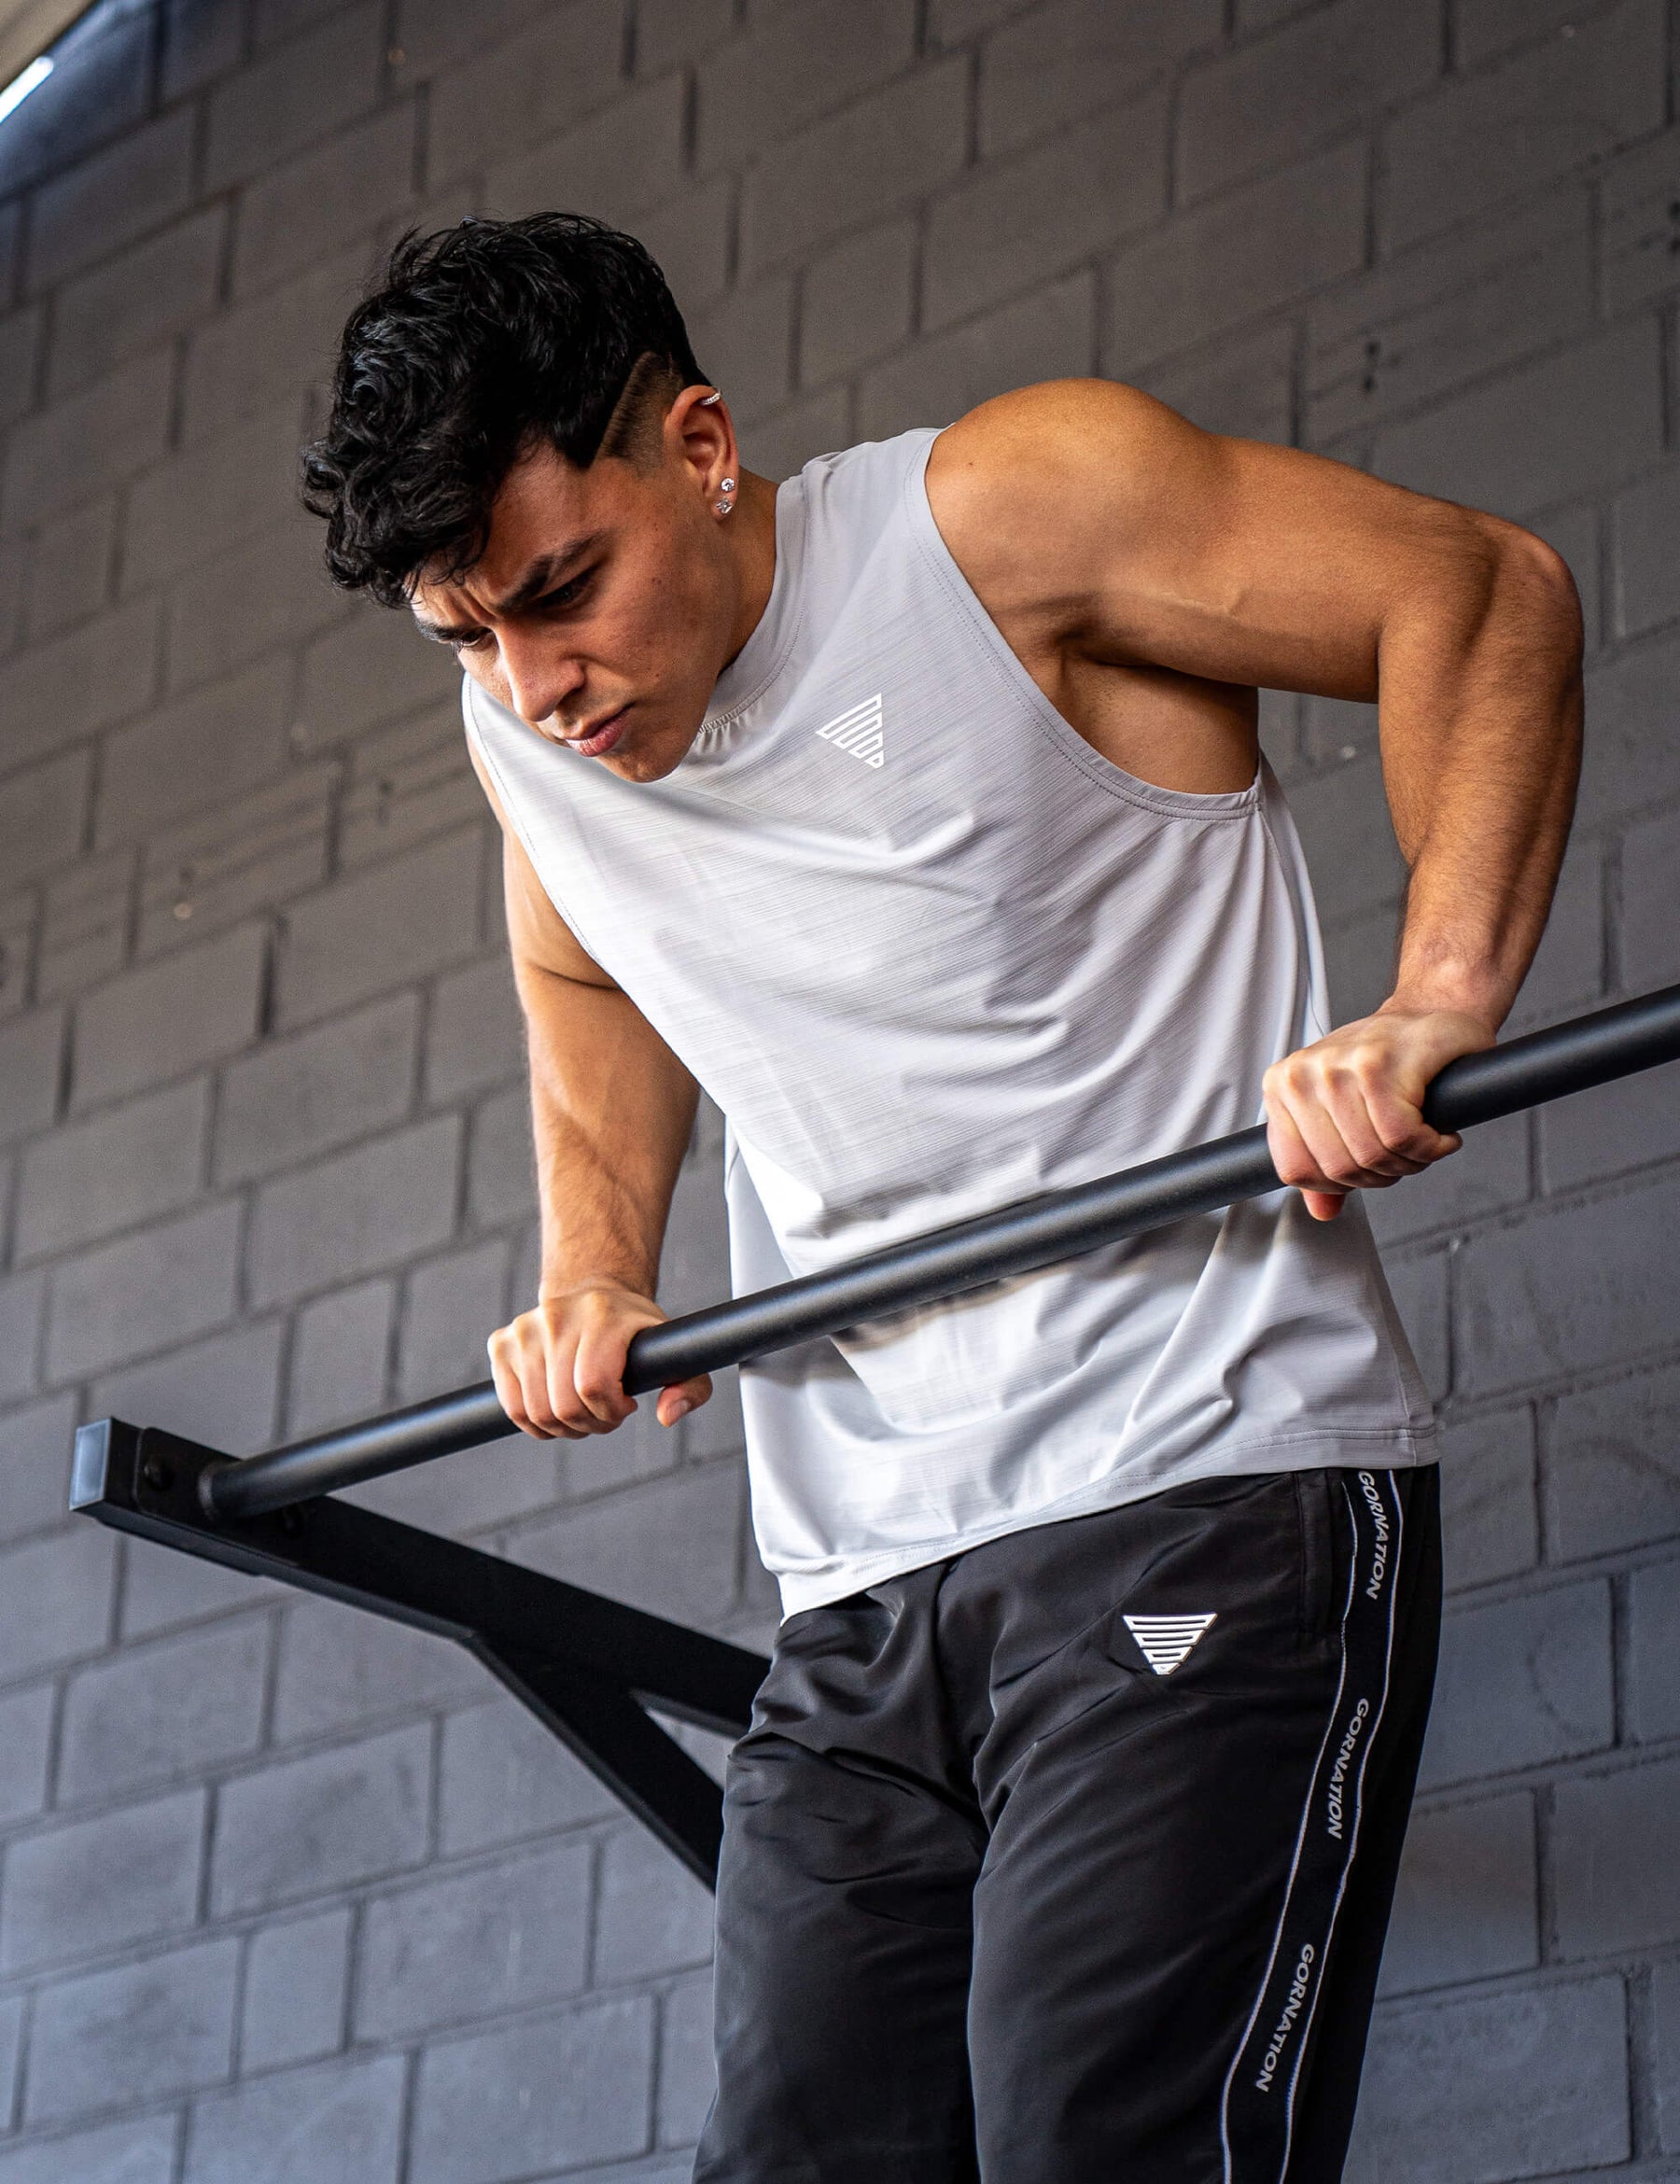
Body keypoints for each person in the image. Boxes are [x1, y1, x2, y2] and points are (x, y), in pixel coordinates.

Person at [304, 213, 1582, 2184]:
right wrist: (598, 1260)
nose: (535, 684)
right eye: (470, 636)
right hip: (863, 1574)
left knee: (1097, 2144)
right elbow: (588, 964)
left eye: (563, 590)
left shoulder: (1004, 517)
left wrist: (1435, 1002)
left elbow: (1478, 593)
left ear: (702, 448)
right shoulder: (528, 727)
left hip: (1199, 1470)